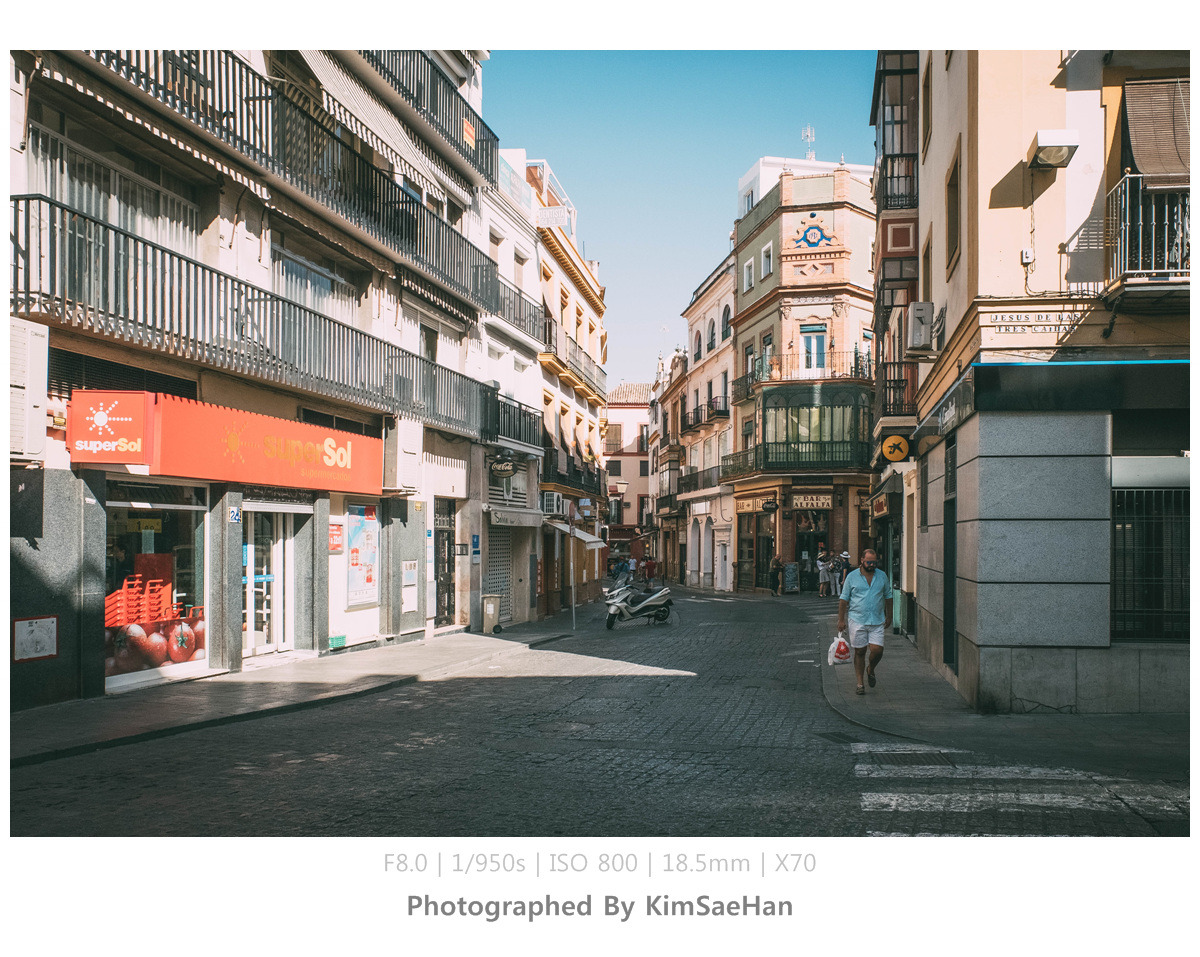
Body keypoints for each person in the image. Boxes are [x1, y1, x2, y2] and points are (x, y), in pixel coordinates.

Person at [837, 548, 893, 696]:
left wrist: (889, 616)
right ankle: (860, 683)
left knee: (877, 650)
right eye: (869, 562)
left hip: (877, 620)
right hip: (857, 619)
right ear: (862, 560)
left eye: (874, 562)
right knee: (860, 651)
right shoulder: (852, 577)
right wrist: (841, 620)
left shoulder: (882, 576)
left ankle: (871, 669)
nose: (872, 565)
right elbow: (843, 599)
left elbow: (888, 596)